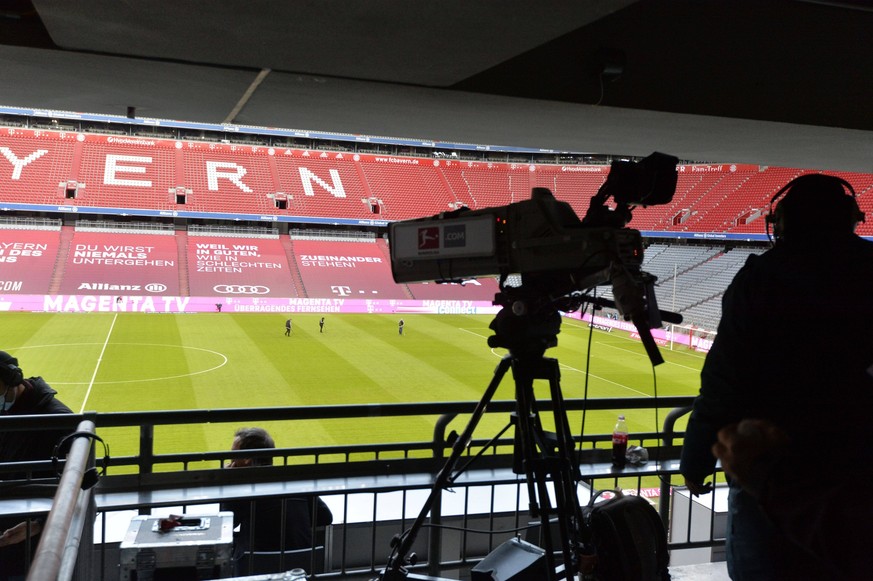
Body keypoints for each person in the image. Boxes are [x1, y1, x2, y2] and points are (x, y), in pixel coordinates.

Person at [679, 174, 873, 580]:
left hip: (771, 464)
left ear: (780, 220)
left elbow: (723, 380)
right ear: (851, 219)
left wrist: (696, 455)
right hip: (858, 467)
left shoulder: (762, 278)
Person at [0, 350, 74, 580]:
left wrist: (39, 524)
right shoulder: (7, 410)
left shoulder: (59, 421)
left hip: (29, 544)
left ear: (12, 380)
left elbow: (76, 486)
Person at [220, 428, 332, 560]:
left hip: (257, 568)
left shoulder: (245, 490)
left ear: (247, 459)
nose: (230, 458)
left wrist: (228, 483)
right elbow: (325, 517)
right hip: (301, 566)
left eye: (233, 453)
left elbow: (225, 525)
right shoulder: (296, 481)